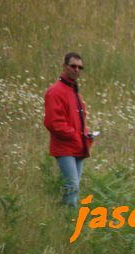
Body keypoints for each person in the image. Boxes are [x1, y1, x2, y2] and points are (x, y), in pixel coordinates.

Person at [44, 52, 94, 207]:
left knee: (74, 189)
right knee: (71, 188)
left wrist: (85, 135)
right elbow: (53, 123)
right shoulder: (56, 91)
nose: (76, 69)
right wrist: (75, 135)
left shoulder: (74, 91)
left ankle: (68, 222)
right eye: (73, 66)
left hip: (78, 146)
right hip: (65, 148)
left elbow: (78, 121)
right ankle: (69, 222)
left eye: (80, 67)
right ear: (64, 66)